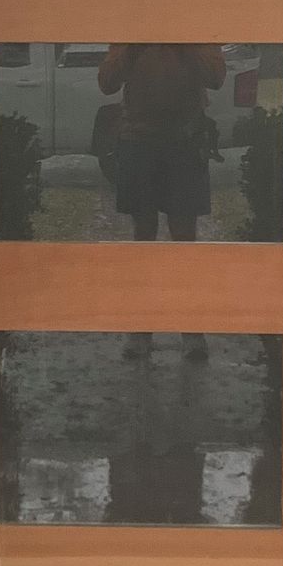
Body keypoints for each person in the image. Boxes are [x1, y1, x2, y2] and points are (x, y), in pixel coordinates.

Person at [96, 42, 226, 359]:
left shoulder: (194, 32)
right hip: (139, 142)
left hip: (185, 142)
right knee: (143, 240)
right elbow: (107, 83)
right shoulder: (133, 34)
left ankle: (191, 332)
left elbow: (216, 77)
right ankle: (141, 330)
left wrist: (186, 43)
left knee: (185, 241)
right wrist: (134, 46)